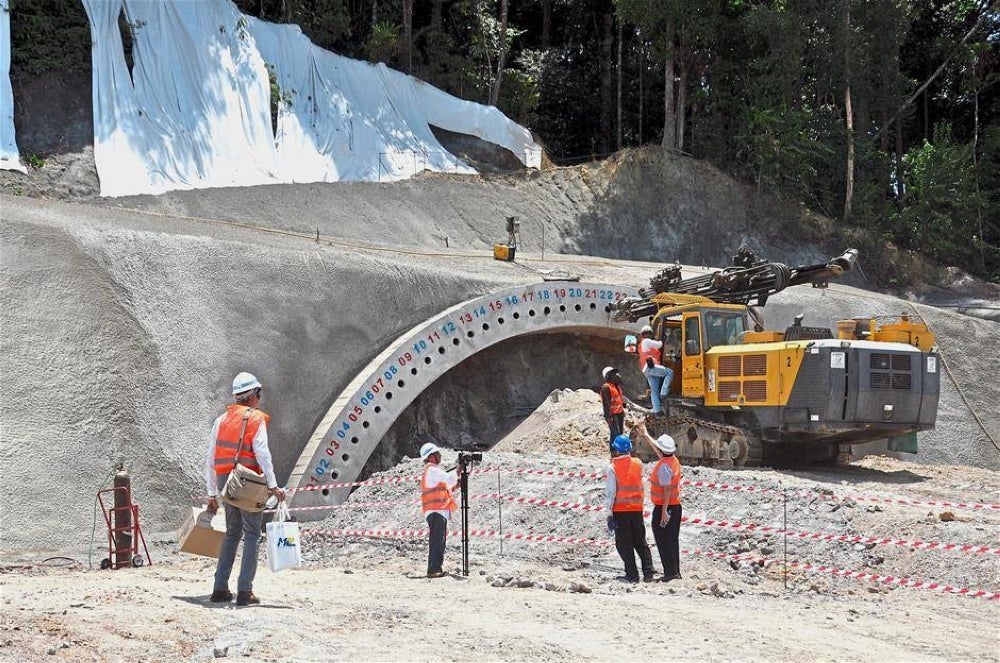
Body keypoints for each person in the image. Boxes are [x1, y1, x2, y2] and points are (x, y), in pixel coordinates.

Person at [206, 372, 285, 606]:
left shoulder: (221, 420)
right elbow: (263, 455)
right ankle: (244, 591)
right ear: (253, 395)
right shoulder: (256, 419)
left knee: (232, 532)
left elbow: (210, 458)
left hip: (226, 482)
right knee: (252, 534)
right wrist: (273, 485)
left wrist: (212, 493)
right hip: (247, 482)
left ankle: (220, 588)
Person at [605, 434, 655, 583]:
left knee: (624, 544)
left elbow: (611, 492)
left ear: (616, 450)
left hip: (620, 510)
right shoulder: (638, 463)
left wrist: (609, 513)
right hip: (637, 509)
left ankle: (632, 575)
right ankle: (648, 573)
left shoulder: (613, 467)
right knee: (640, 541)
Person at [636, 422, 683, 581]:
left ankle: (670, 573)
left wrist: (663, 512)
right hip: (675, 506)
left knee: (663, 539)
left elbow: (667, 489)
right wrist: (646, 435)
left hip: (666, 507)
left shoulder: (664, 467)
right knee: (672, 539)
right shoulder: (672, 460)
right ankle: (674, 571)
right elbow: (659, 450)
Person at [420, 442, 460, 578]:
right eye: (437, 453)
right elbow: (449, 478)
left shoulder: (432, 471)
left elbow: (446, 486)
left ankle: (435, 568)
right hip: (436, 510)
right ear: (431, 456)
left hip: (437, 511)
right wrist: (460, 468)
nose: (440, 455)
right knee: (437, 541)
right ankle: (433, 570)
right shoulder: (432, 470)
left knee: (438, 540)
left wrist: (456, 485)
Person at [637, 324, 669, 414]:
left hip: (647, 369)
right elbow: (659, 345)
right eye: (648, 333)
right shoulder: (647, 341)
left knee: (654, 390)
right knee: (669, 372)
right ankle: (664, 392)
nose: (648, 335)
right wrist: (663, 338)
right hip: (651, 367)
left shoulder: (643, 344)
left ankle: (657, 410)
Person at [600, 367, 626, 447]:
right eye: (613, 374)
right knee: (616, 434)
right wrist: (608, 417)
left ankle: (616, 449)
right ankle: (614, 450)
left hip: (619, 413)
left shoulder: (616, 386)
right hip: (613, 415)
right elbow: (606, 404)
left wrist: (623, 407)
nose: (616, 376)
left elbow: (619, 398)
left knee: (619, 433)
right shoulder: (606, 388)